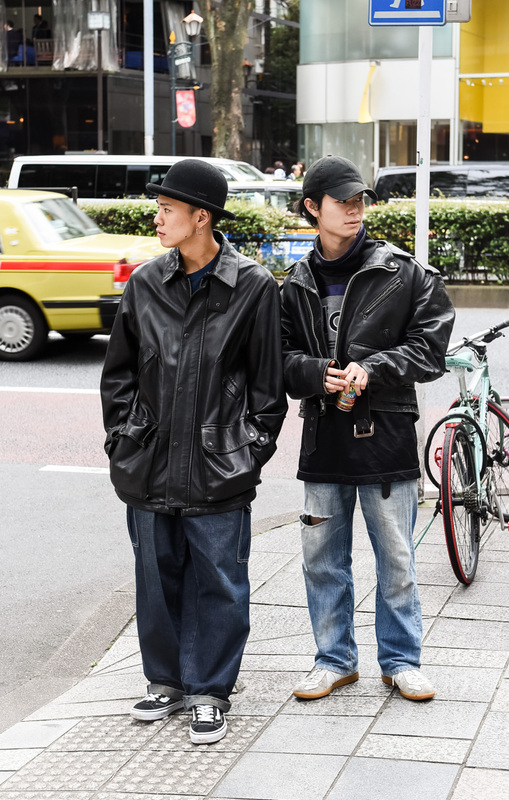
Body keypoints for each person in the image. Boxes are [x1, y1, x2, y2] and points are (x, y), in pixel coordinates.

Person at [100, 159, 287, 744]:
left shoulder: (252, 286)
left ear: (200, 218)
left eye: (167, 210)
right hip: (149, 463)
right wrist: (122, 441)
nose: (157, 218)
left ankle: (209, 690)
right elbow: (119, 376)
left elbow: (267, 388)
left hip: (218, 466)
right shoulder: (146, 283)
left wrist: (245, 451)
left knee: (219, 583)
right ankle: (166, 683)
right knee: (155, 578)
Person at [281, 155, 455, 703]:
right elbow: (276, 360)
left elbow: (432, 348)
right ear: (313, 207)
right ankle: (333, 660)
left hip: (386, 436)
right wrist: (315, 374)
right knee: (321, 559)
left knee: (397, 558)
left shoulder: (403, 272)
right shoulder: (294, 283)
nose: (355, 211)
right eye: (343, 201)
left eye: (361, 201)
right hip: (323, 438)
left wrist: (374, 368)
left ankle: (402, 660)